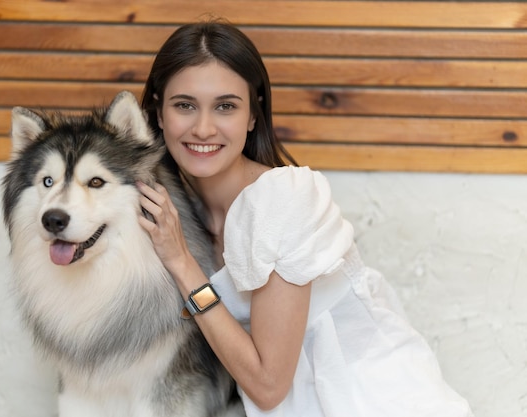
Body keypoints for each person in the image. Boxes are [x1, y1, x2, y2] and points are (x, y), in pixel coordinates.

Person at [136, 20, 473, 417]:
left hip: (375, 401)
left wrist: (182, 264)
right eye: (184, 105)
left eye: (225, 106)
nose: (204, 127)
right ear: (159, 112)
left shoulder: (283, 200)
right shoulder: (173, 217)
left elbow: (269, 385)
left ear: (252, 115)